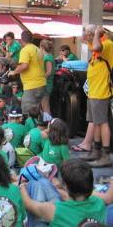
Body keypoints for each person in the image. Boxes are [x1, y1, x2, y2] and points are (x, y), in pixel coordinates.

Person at [20, 159, 106, 226]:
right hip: (67, 213)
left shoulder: (56, 210)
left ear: (66, 187)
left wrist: (22, 185)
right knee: (43, 182)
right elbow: (68, 196)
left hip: (52, 213)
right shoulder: (100, 203)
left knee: (34, 184)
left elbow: (28, 203)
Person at [80, 25, 113, 167]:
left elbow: (96, 47)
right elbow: (84, 40)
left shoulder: (106, 44)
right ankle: (96, 150)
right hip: (93, 92)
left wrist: (97, 34)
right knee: (96, 122)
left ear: (96, 35)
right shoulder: (95, 43)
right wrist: (88, 33)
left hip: (101, 92)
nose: (87, 37)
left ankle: (105, 155)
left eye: (89, 35)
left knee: (102, 122)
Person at [9, 31, 46, 115]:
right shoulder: (37, 49)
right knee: (36, 111)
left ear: (21, 40)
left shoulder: (25, 50)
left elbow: (24, 65)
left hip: (31, 86)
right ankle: (37, 127)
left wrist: (14, 72)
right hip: (41, 84)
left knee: (27, 112)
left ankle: (30, 127)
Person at [40, 39, 55, 117]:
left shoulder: (47, 57)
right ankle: (47, 122)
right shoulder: (49, 56)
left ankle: (48, 123)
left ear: (42, 47)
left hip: (46, 84)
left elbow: (48, 72)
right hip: (47, 84)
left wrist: (41, 79)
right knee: (45, 105)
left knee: (45, 105)